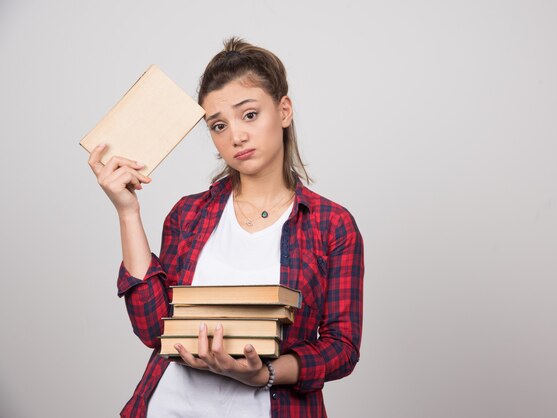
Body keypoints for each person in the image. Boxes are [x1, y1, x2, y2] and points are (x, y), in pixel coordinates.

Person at [88, 37, 364, 418]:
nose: (235, 136)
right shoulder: (188, 215)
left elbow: (342, 347)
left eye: (249, 114)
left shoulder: (331, 225)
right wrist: (128, 212)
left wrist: (265, 374)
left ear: (283, 110)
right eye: (218, 125)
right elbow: (154, 330)